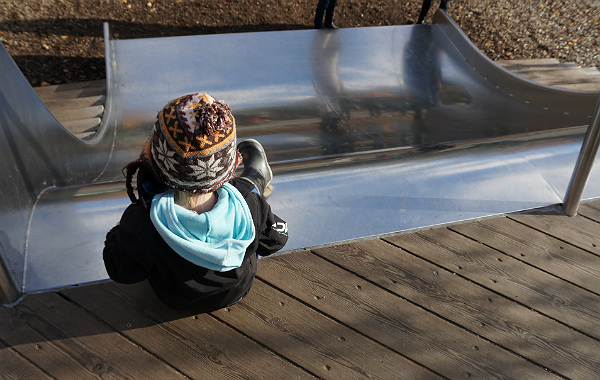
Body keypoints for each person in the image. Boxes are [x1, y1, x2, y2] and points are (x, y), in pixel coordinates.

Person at [103, 93, 288, 313]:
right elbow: (276, 239)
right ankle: (255, 179)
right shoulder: (247, 201)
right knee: (247, 195)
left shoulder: (142, 222)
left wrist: (118, 232)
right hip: (237, 291)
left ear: (158, 160)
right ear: (227, 166)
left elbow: (121, 271)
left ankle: (255, 178)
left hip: (175, 301)